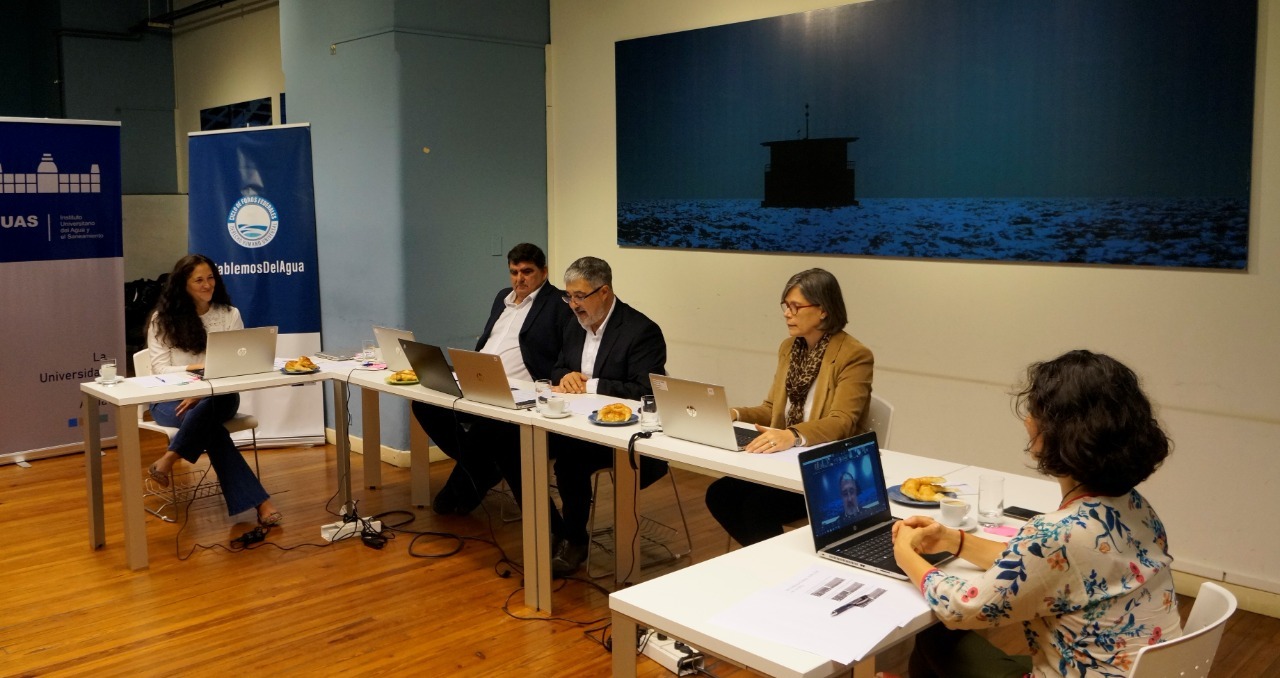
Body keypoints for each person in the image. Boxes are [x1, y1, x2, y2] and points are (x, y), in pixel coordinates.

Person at [886, 350, 1179, 678]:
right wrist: (952, 540)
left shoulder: (1059, 533)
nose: (1027, 421)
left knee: (937, 635)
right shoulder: (1137, 507)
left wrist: (904, 553)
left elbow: (962, 608)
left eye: (1034, 412)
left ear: (1062, 432)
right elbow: (1039, 565)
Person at [705, 268, 874, 546]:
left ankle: (773, 567)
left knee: (757, 506)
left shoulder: (854, 355)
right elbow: (772, 409)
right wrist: (734, 414)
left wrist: (793, 435)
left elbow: (842, 421)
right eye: (785, 306)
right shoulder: (790, 348)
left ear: (823, 310)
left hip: (827, 468)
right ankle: (764, 562)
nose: (787, 314)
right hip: (786, 461)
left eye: (796, 307)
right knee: (719, 494)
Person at [411, 243, 572, 514]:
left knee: (490, 429)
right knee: (425, 405)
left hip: (520, 393)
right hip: (478, 381)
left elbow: (566, 353)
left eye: (527, 272)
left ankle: (473, 476)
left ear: (544, 272)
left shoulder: (558, 303)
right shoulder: (502, 298)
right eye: (514, 272)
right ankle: (485, 465)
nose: (519, 279)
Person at [547, 256, 669, 577]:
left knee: (569, 462)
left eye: (579, 296)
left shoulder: (641, 331)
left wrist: (590, 385)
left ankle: (575, 541)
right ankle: (553, 528)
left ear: (604, 292)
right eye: (568, 296)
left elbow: (646, 391)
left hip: (623, 435)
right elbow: (558, 368)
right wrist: (566, 377)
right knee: (514, 442)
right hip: (574, 424)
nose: (573, 304)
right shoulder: (573, 325)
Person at [145, 254, 281, 526]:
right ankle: (261, 503)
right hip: (170, 400)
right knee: (212, 430)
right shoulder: (162, 320)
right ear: (183, 285)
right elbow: (159, 369)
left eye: (210, 278)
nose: (207, 285)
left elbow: (239, 364)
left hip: (219, 397)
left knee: (211, 409)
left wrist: (203, 393)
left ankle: (171, 456)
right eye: (199, 280)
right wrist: (198, 369)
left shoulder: (229, 315)